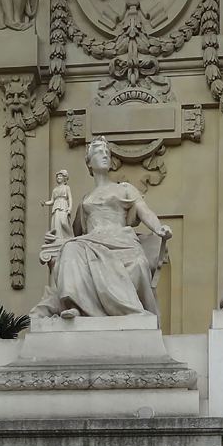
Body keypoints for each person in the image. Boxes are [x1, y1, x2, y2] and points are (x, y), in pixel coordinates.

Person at [30, 136, 172, 320]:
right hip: (91, 242)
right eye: (98, 152)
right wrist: (57, 240)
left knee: (137, 262)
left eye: (107, 152)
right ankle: (76, 305)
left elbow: (145, 211)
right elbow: (74, 234)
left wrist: (159, 228)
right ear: (89, 163)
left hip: (121, 240)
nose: (104, 155)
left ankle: (106, 307)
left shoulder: (125, 189)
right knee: (70, 248)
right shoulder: (85, 200)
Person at [41, 170, 74, 242]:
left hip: (63, 205)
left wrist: (69, 209)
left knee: (63, 222)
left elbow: (70, 198)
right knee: (56, 224)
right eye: (57, 176)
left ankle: (71, 237)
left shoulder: (67, 187)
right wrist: (45, 203)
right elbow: (52, 201)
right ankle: (58, 239)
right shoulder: (55, 190)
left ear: (64, 178)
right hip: (56, 207)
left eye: (60, 176)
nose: (58, 177)